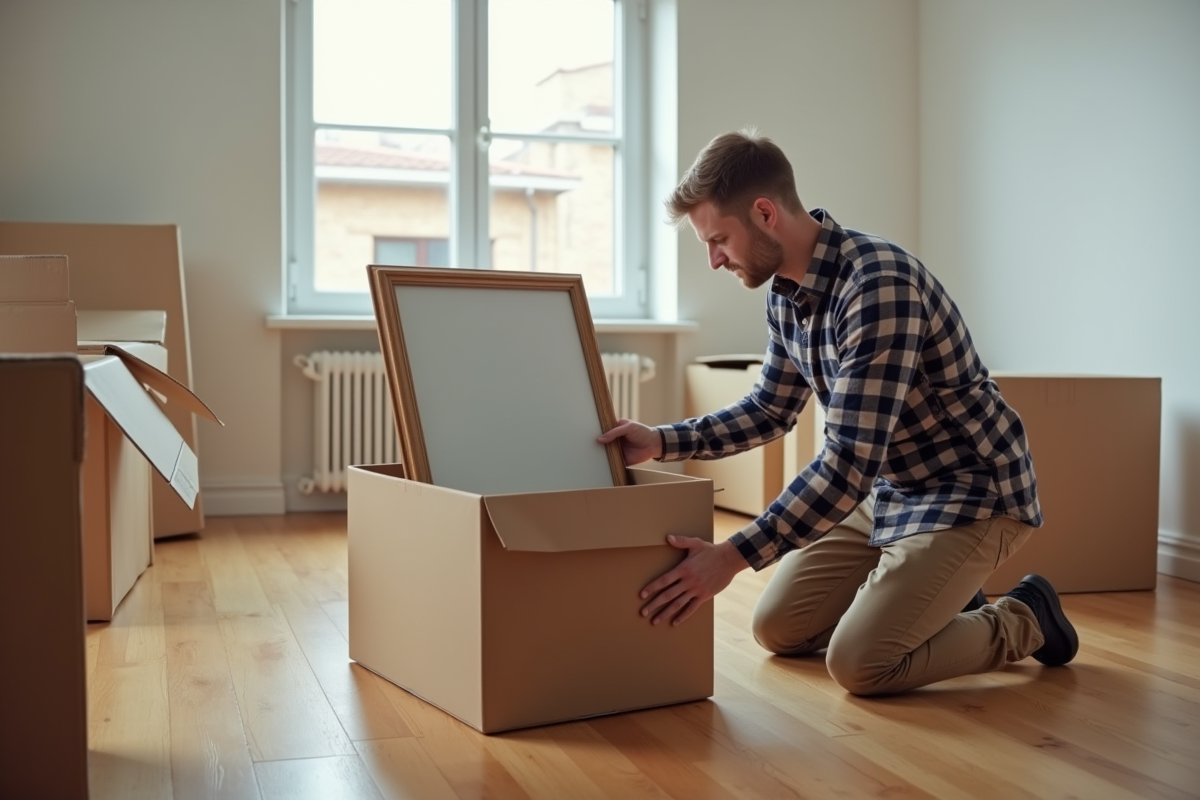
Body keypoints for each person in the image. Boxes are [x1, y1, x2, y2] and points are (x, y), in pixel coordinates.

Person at [598, 129, 1078, 696]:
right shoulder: (785, 292)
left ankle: (1024, 616)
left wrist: (729, 556)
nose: (713, 260)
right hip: (888, 488)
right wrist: (660, 440)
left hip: (969, 493)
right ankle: (935, 596)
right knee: (778, 628)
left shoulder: (877, 288)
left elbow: (846, 463)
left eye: (719, 240)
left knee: (861, 665)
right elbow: (769, 409)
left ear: (764, 213)